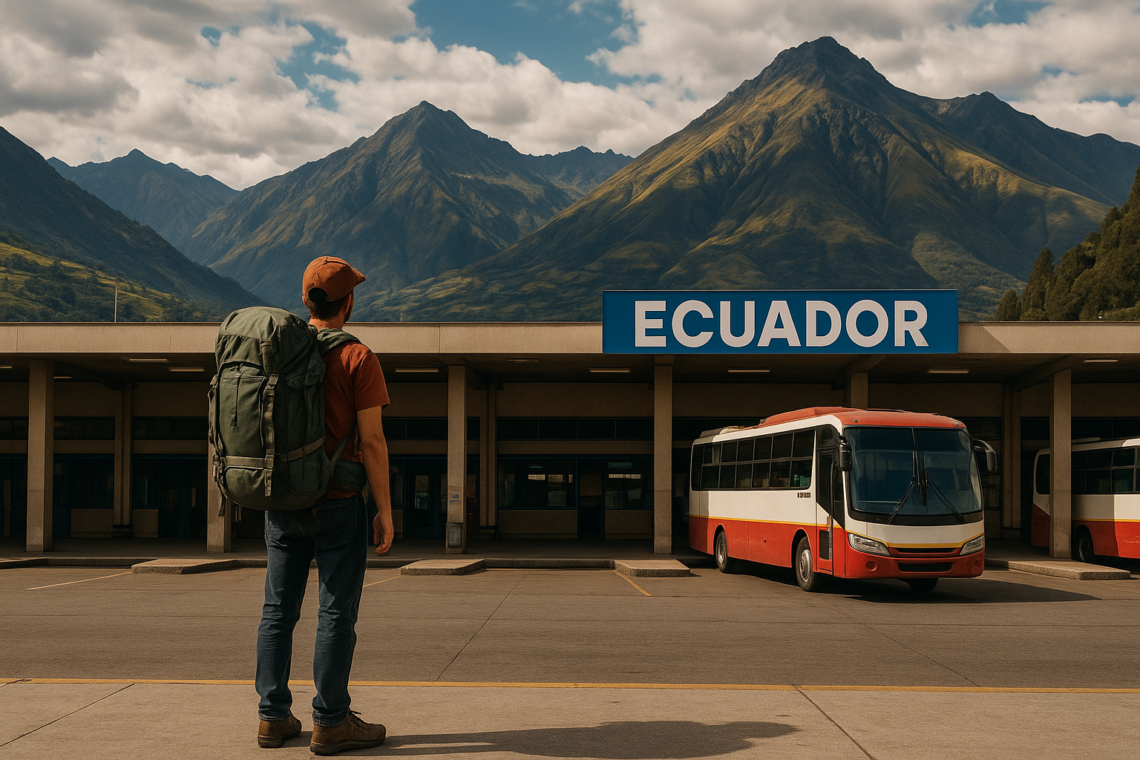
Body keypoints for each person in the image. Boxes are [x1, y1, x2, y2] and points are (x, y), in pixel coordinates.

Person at [255, 256, 394, 755]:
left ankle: (272, 717)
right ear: (348, 302)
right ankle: (331, 720)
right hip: (337, 504)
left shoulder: (280, 353)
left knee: (277, 611)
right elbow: (373, 442)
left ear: (305, 300)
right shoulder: (358, 358)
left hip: (283, 502)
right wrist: (385, 510)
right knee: (335, 613)